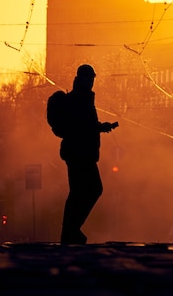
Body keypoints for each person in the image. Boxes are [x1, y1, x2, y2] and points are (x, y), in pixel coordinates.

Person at [59, 64, 118, 245]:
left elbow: (85, 124)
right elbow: (82, 126)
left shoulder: (83, 97)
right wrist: (100, 127)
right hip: (80, 153)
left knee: (79, 192)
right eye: (89, 78)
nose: (92, 81)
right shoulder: (80, 98)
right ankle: (71, 230)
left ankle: (70, 231)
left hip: (80, 152)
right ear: (82, 79)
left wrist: (100, 127)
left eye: (92, 78)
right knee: (91, 189)